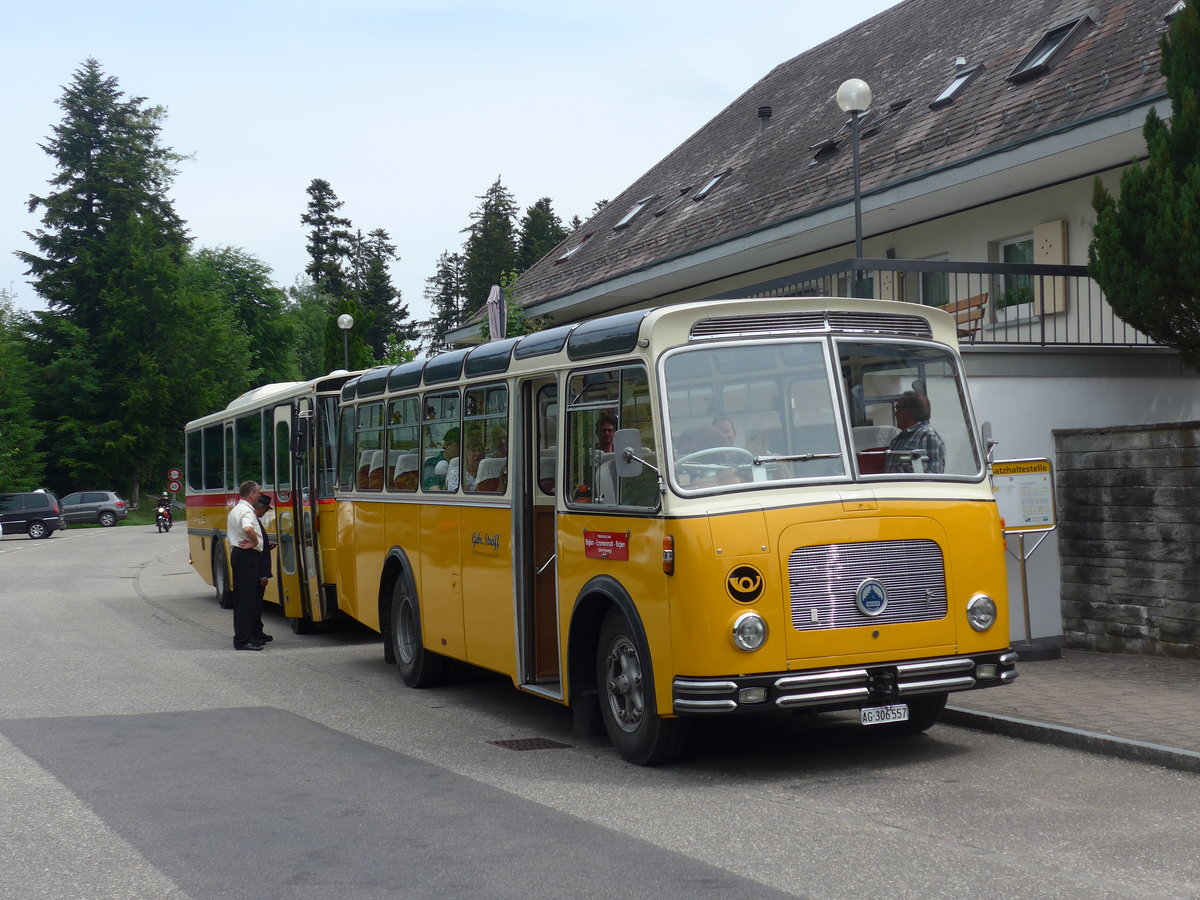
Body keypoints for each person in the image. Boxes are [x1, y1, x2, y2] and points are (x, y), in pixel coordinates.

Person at [226, 480, 265, 651]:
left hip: (239, 555)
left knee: (243, 598)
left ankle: (245, 636)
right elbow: (248, 528)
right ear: (251, 494)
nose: (259, 496)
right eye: (258, 493)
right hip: (246, 555)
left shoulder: (237, 509)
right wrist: (255, 542)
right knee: (246, 600)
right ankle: (243, 640)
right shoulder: (247, 511)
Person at [886, 391, 945, 473]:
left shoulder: (927, 436)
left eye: (898, 408)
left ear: (908, 412)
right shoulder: (899, 439)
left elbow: (931, 475)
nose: (895, 414)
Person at [252, 493, 275, 645]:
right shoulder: (254, 523)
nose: (265, 513)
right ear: (260, 507)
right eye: (266, 509)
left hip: (257, 572)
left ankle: (258, 631)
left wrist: (267, 546)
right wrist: (263, 575)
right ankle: (255, 634)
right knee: (255, 605)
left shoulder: (256, 521)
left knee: (257, 605)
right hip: (258, 573)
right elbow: (258, 552)